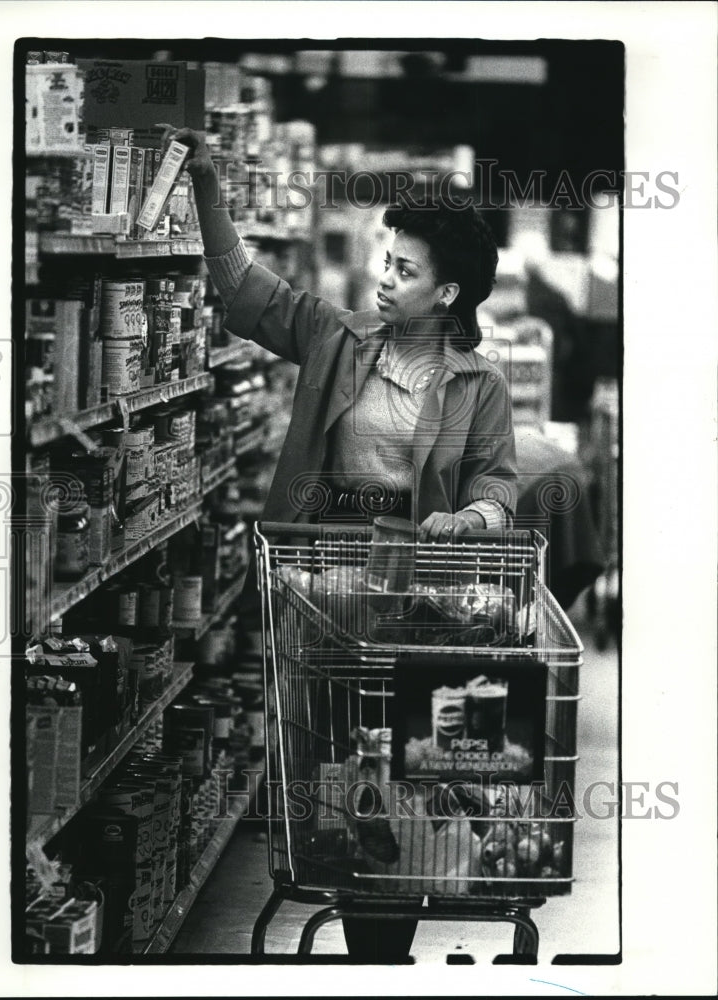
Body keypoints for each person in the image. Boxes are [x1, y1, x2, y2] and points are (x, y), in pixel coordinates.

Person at [163, 127, 518, 960]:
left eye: (404, 269)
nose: (384, 278)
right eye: (385, 262)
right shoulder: (339, 339)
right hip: (320, 593)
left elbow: (499, 483)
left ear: (449, 292)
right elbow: (245, 291)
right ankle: (372, 950)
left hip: (419, 605)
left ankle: (385, 948)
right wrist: (209, 187)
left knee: (405, 781)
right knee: (342, 779)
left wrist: (473, 520)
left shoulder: (480, 386)